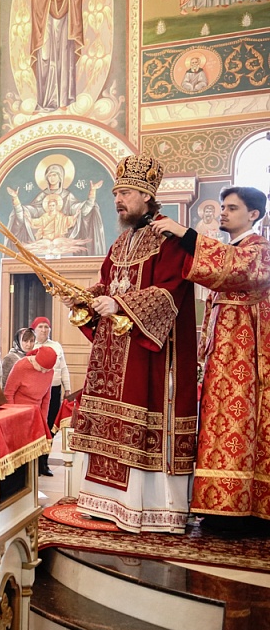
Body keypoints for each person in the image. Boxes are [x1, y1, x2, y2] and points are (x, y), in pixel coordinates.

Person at [68, 154, 197, 534]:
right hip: (112, 353)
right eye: (115, 194)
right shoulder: (121, 242)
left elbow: (171, 292)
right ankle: (101, 501)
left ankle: (149, 507)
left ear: (146, 196)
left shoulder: (168, 239)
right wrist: (85, 298)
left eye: (125, 193)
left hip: (147, 354)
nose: (118, 200)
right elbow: (108, 284)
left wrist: (120, 305)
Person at [153, 185, 270, 531]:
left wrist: (185, 234)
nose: (223, 213)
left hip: (247, 359)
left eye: (232, 208)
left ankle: (241, 507)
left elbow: (237, 269)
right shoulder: (232, 248)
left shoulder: (259, 249)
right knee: (216, 427)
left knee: (238, 426)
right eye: (222, 207)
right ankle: (216, 504)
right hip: (222, 358)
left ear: (253, 214)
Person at [30, 316, 70, 475]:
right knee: (37, 427)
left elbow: (64, 368)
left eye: (46, 327)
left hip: (54, 391)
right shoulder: (30, 346)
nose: (44, 330)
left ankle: (44, 463)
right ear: (34, 329)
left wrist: (68, 389)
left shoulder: (56, 346)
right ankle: (34, 464)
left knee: (50, 426)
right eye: (40, 327)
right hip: (37, 392)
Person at [30, 0, 83, 111]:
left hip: (66, 16)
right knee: (45, 56)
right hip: (45, 16)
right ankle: (45, 100)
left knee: (64, 54)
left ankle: (63, 99)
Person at [4, 346, 57, 432]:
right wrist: (12, 416)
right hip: (18, 414)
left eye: (47, 370)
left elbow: (46, 398)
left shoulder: (50, 372)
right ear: (35, 360)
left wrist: (43, 420)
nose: (43, 372)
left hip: (36, 415)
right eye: (41, 368)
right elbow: (8, 393)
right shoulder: (21, 366)